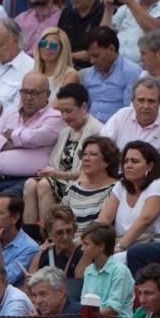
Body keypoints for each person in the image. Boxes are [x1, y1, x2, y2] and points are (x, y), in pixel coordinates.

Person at [0, 72, 64, 230]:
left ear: (47, 94)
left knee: (5, 201)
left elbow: (34, 138)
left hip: (26, 180)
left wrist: (10, 135)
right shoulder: (10, 113)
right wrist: (18, 142)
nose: (28, 97)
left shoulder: (54, 117)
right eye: (24, 92)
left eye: (34, 92)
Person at [23, 84, 103, 229]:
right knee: (30, 184)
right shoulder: (65, 132)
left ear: (83, 107)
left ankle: (48, 233)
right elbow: (54, 163)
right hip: (60, 181)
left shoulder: (97, 131)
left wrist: (55, 174)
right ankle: (30, 237)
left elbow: (89, 172)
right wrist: (49, 172)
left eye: (69, 111)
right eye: (61, 112)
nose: (64, 117)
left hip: (82, 184)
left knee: (44, 184)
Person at [96, 141, 160, 250]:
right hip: (125, 244)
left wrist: (119, 248)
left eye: (134, 161)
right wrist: (84, 239)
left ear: (150, 166)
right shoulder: (120, 185)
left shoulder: (159, 185)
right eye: (126, 161)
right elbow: (105, 218)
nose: (128, 165)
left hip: (156, 245)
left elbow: (144, 220)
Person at [77, 222, 135, 318]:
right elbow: (85, 303)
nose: (82, 249)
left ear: (101, 246)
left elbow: (113, 310)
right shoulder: (88, 270)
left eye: (86, 244)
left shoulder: (120, 271)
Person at [81, 27, 143, 125]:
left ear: (111, 49)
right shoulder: (89, 74)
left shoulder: (131, 72)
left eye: (96, 56)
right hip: (90, 127)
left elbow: (130, 111)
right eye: (90, 57)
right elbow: (84, 107)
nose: (92, 61)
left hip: (117, 128)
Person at [62, 136, 119, 233]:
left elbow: (102, 225)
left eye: (93, 154)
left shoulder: (115, 189)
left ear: (107, 161)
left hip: (94, 242)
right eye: (84, 154)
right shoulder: (73, 188)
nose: (86, 159)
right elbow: (61, 219)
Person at [59, 0, 105, 68]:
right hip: (66, 66)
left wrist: (68, 56)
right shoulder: (67, 12)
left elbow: (97, 52)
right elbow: (59, 44)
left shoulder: (104, 11)